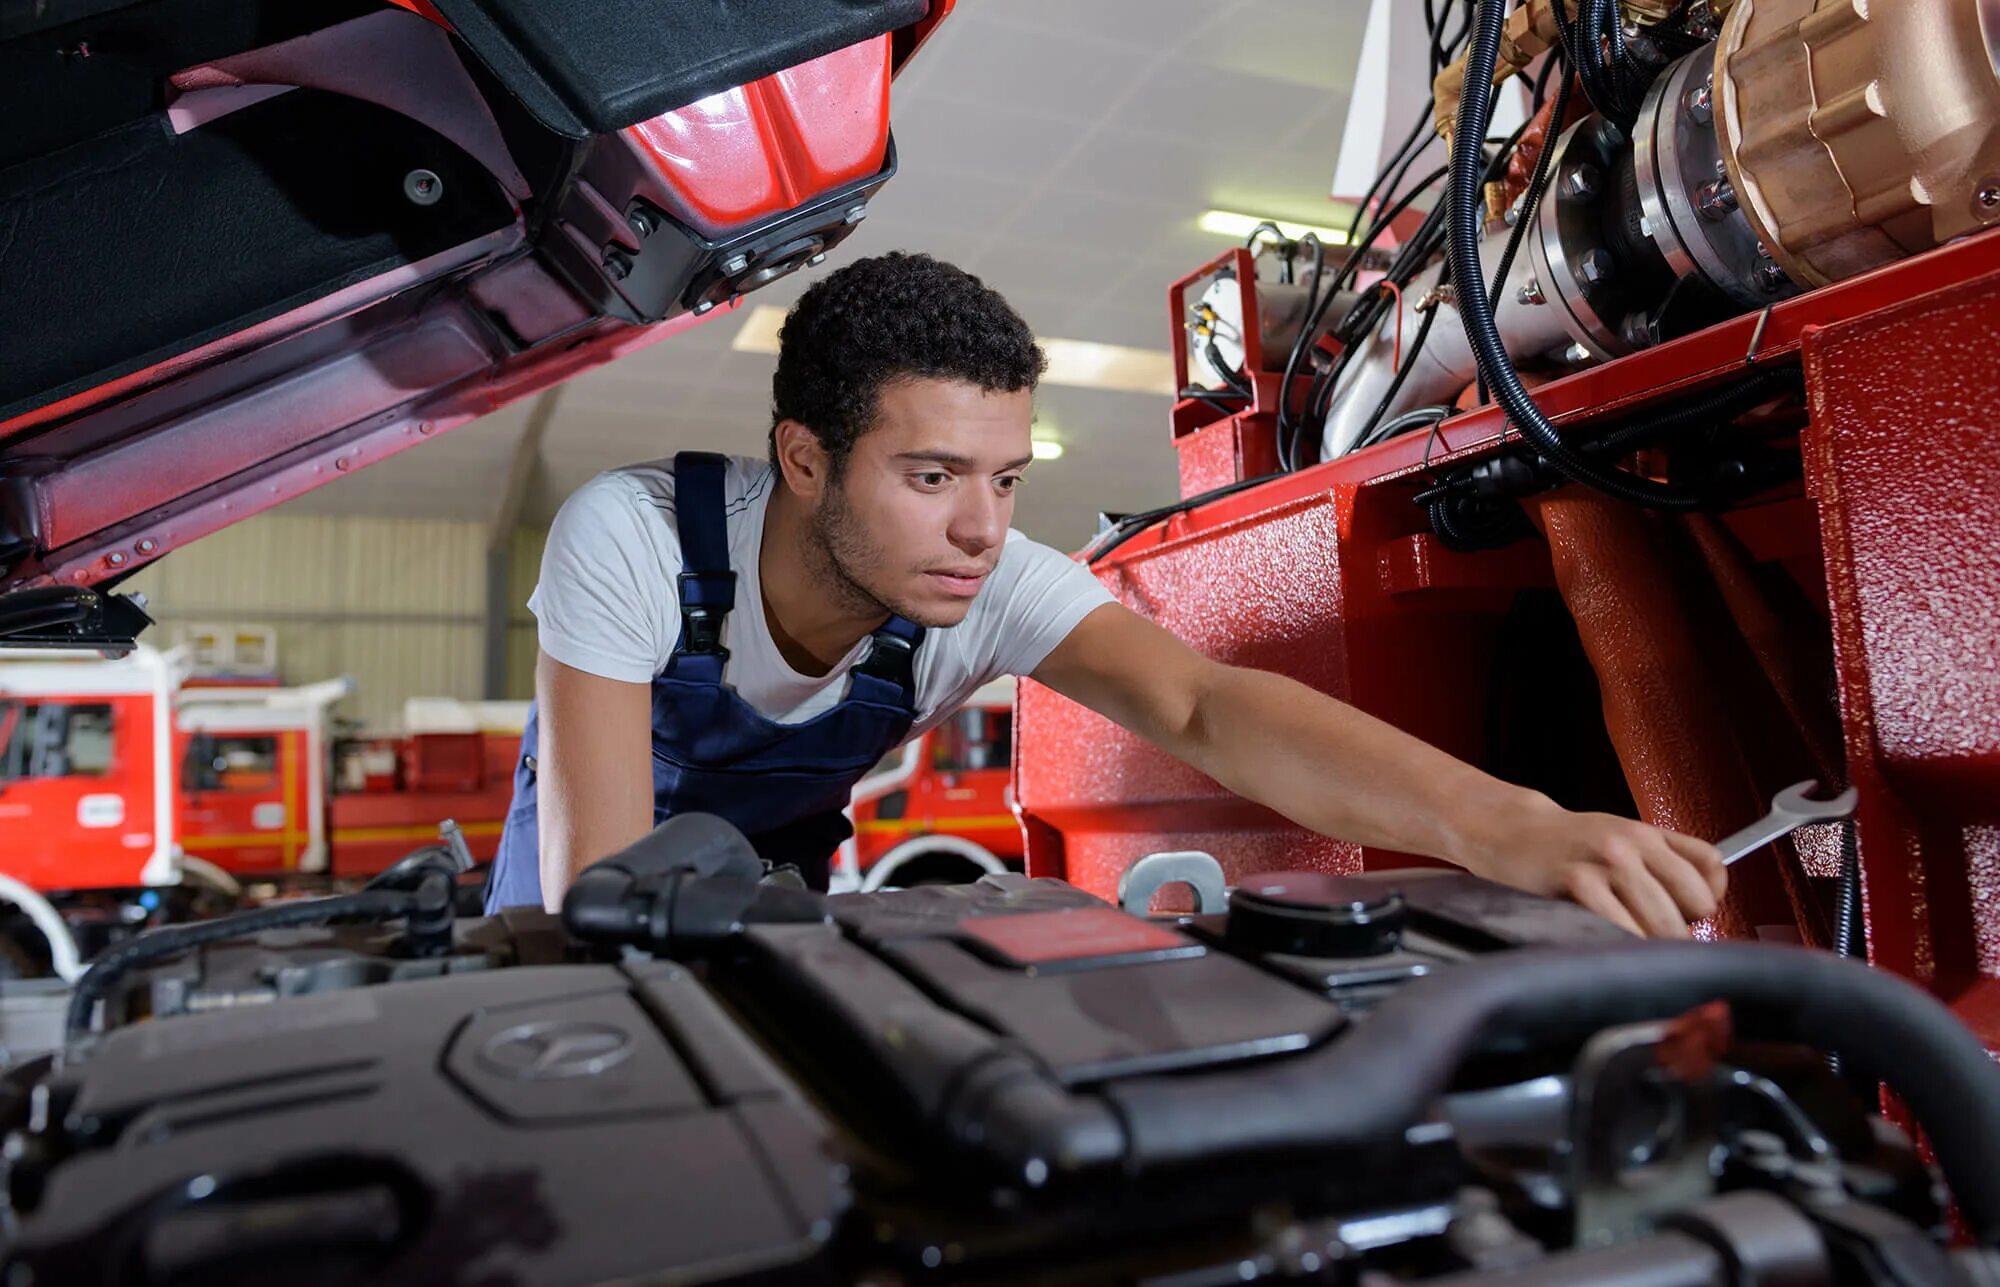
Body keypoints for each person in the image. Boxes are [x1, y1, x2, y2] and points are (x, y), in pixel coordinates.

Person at [485, 252, 1726, 937]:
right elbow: (598, 885)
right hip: (567, 926)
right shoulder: (633, 540)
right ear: (804, 459)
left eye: (1006, 478)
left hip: (783, 913)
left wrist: (1511, 827)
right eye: (931, 475)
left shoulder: (974, 580)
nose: (982, 527)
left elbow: (1200, 706)